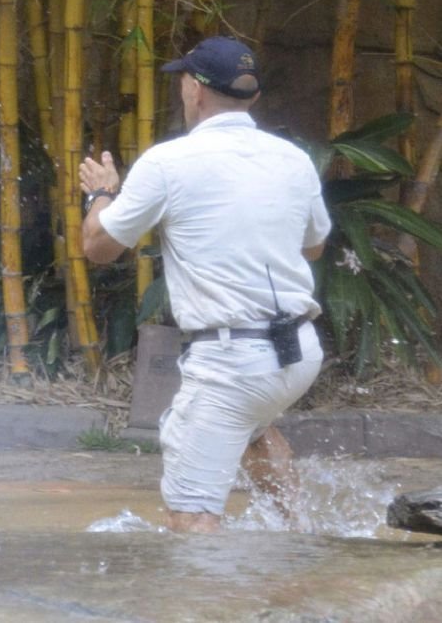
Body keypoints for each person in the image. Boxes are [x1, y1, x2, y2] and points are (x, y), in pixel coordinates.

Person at [79, 36, 331, 533]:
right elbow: (314, 246)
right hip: (298, 353)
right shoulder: (293, 159)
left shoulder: (169, 163)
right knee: (255, 429)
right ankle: (298, 542)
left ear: (194, 89)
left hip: (232, 362)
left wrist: (102, 194)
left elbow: (99, 248)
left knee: (190, 518)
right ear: (252, 97)